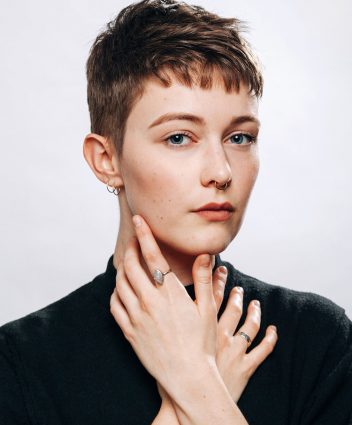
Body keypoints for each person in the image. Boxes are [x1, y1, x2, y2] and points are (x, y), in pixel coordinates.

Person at [1, 0, 351, 424]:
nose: (221, 172)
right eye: (180, 138)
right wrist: (195, 394)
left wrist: (193, 381)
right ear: (106, 160)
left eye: (240, 137)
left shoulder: (316, 339)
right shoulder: (21, 362)